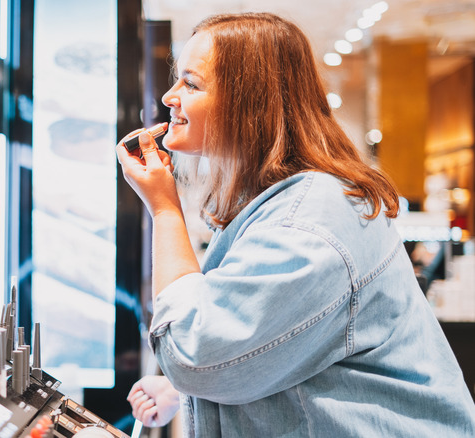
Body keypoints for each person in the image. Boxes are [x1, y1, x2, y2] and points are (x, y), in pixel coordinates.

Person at [116, 12, 475, 437]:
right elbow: (281, 346)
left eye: (191, 84)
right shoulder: (290, 202)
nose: (171, 97)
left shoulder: (306, 223)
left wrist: (164, 208)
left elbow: (196, 354)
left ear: (249, 103)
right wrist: (181, 389)